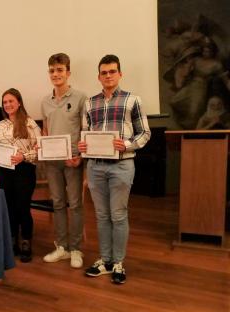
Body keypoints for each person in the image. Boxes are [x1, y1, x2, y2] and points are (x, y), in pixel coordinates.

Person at [78, 55, 151, 284]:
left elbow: (145, 133)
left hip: (122, 165)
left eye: (112, 71)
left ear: (120, 74)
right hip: (96, 167)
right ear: (99, 76)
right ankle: (105, 260)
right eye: (104, 72)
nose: (108, 76)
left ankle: (118, 261)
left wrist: (127, 144)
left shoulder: (133, 100)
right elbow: (85, 132)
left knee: (118, 215)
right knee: (101, 216)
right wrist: (83, 145)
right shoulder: (90, 103)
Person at [40, 53, 87, 268]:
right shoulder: (45, 101)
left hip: (73, 161)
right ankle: (62, 247)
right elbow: (47, 130)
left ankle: (76, 248)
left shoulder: (80, 98)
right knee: (58, 203)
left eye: (59, 70)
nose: (55, 74)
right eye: (52, 70)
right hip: (53, 162)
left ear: (68, 73)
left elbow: (86, 130)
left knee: (75, 204)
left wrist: (79, 156)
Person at [0, 88, 41, 263]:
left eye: (11, 101)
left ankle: (26, 241)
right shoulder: (0, 125)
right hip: (5, 172)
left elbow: (40, 150)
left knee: (22, 207)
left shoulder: (30, 124)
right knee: (9, 207)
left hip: (24, 171)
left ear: (19, 102)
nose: (8, 105)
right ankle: (12, 239)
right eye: (5, 102)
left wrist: (23, 156)